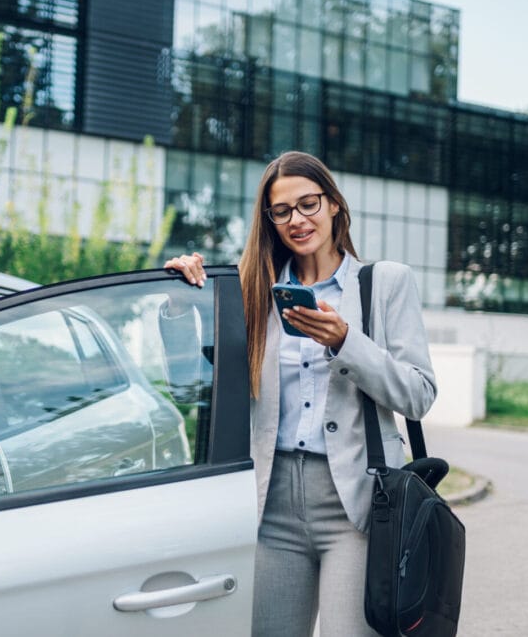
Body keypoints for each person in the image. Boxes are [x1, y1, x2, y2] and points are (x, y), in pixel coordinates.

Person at [164, 151, 436, 636]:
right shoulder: (253, 293)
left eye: (308, 204)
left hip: (356, 505)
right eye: (282, 210)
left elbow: (418, 394)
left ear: (334, 205)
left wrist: (345, 341)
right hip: (271, 504)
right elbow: (188, 388)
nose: (297, 219)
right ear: (269, 220)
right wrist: (179, 309)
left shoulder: (385, 283)